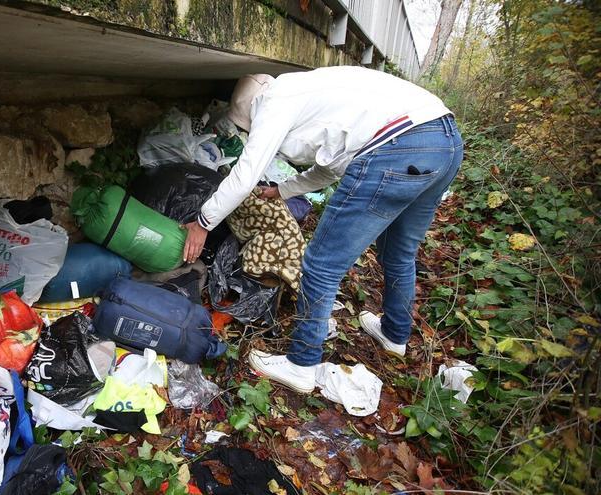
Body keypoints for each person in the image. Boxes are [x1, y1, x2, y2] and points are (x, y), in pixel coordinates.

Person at [181, 67, 463, 393]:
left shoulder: (274, 100)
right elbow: (330, 166)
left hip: (397, 146)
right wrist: (284, 190)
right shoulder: (314, 90)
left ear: (252, 109)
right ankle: (395, 335)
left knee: (320, 264)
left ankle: (302, 363)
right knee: (399, 252)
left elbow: (244, 176)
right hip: (444, 141)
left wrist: (203, 223)